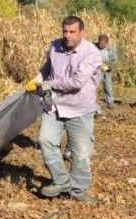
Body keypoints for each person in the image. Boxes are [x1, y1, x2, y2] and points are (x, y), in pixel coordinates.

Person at [24, 16, 102, 203]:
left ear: (82, 32)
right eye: (65, 31)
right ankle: (61, 180)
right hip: (55, 106)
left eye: (72, 32)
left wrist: (49, 84)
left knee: (80, 152)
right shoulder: (54, 46)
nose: (68, 36)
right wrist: (37, 79)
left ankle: (79, 191)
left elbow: (77, 82)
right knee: (45, 140)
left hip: (80, 108)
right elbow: (47, 69)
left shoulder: (91, 53)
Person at [95, 34, 117, 109]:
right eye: (99, 43)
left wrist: (106, 67)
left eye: (102, 43)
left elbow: (114, 61)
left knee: (108, 87)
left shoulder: (111, 49)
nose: (100, 45)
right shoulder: (94, 47)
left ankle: (110, 103)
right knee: (93, 86)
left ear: (107, 42)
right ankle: (92, 103)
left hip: (107, 69)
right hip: (96, 70)